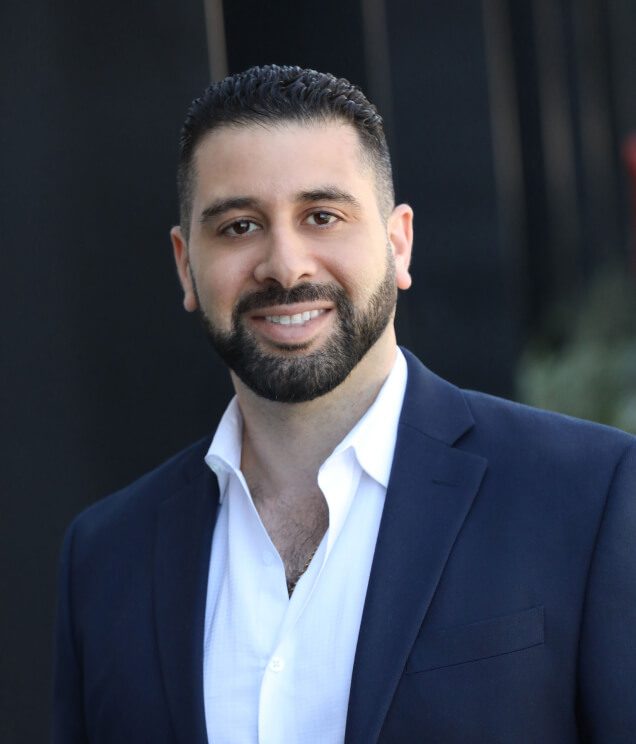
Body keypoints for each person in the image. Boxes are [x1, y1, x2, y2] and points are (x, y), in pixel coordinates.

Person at [53, 65, 636, 744]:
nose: (286, 264)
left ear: (398, 242)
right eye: (239, 226)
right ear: (186, 266)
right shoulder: (105, 558)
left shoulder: (586, 495)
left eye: (322, 216)